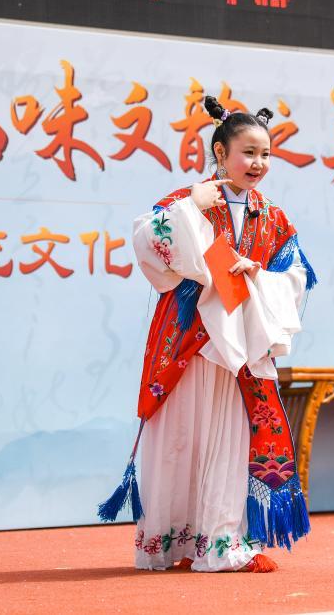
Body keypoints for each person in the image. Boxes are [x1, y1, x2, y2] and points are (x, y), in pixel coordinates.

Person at [97, 96, 316, 573]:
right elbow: (147, 244)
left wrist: (258, 273)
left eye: (265, 154)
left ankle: (221, 542)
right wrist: (189, 209)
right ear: (221, 152)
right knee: (180, 439)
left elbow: (296, 276)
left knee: (230, 442)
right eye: (248, 152)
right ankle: (172, 542)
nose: (258, 163)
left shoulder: (273, 216)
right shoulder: (187, 199)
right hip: (189, 340)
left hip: (239, 348)